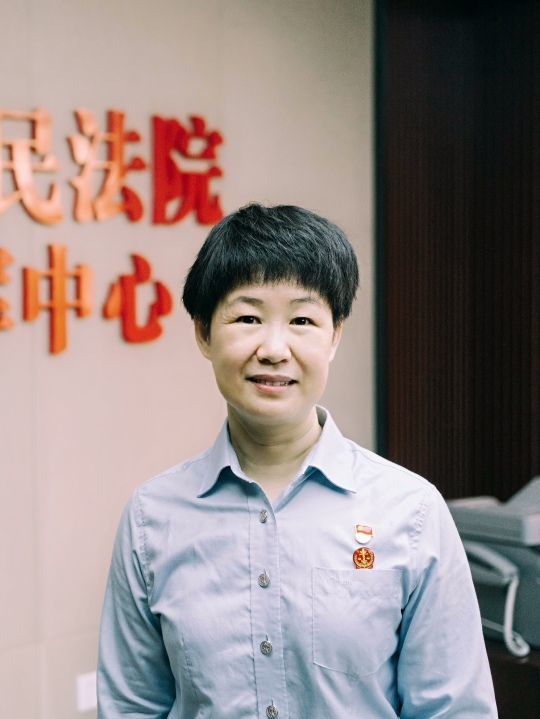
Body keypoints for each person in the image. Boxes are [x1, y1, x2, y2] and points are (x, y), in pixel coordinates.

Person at [97, 203, 498, 718]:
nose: (274, 349)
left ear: (334, 336)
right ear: (203, 333)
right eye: (247, 317)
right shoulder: (152, 517)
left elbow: (455, 709)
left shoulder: (411, 510)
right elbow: (131, 707)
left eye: (303, 320)